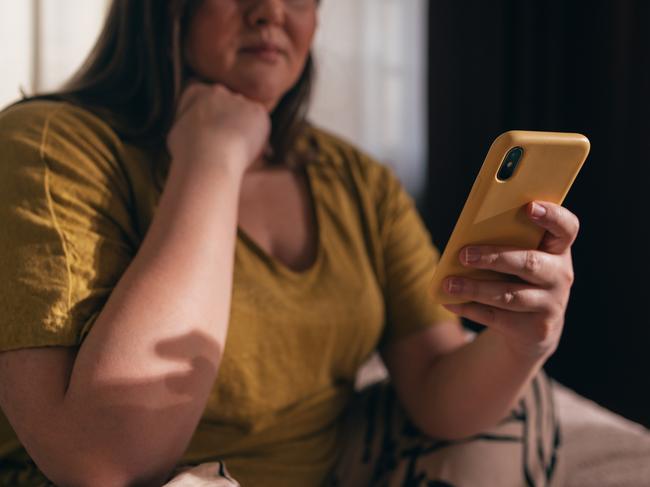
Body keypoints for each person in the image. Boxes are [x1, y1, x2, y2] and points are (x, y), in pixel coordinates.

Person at [0, 0, 578, 485]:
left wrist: (524, 344)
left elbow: (437, 393)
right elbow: (103, 460)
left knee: (530, 402)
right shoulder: (49, 145)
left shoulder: (357, 181)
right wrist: (213, 159)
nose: (272, 11)